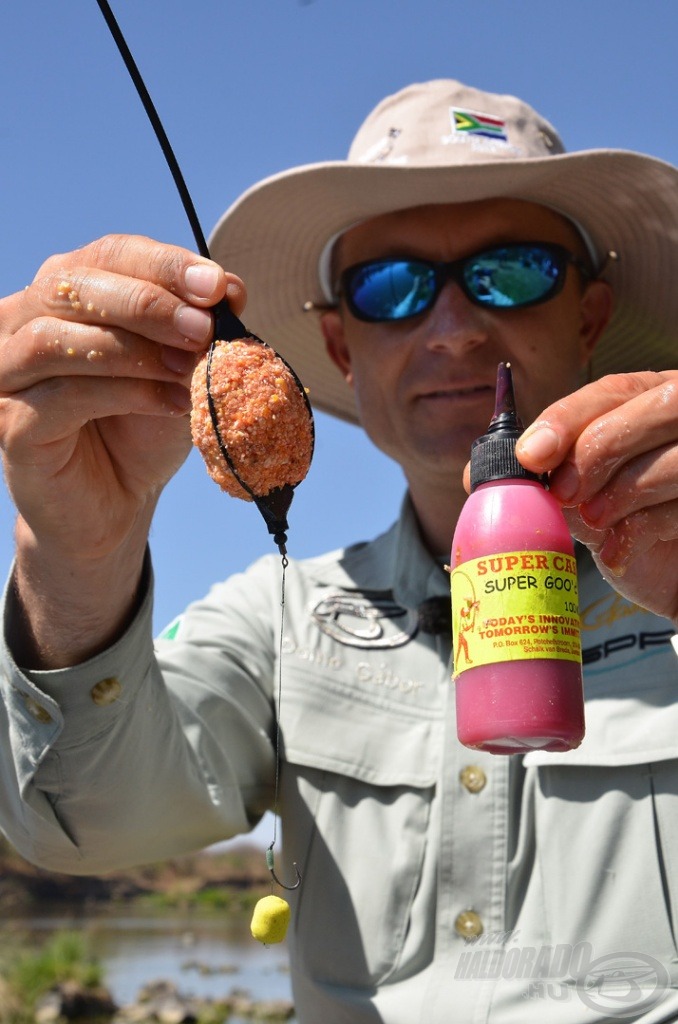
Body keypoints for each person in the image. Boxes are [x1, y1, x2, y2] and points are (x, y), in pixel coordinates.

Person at [1, 77, 678, 1022]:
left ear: (590, 315)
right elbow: (79, 823)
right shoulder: (276, 620)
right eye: (390, 285)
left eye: (513, 269)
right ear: (340, 343)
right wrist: (79, 553)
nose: (453, 326)